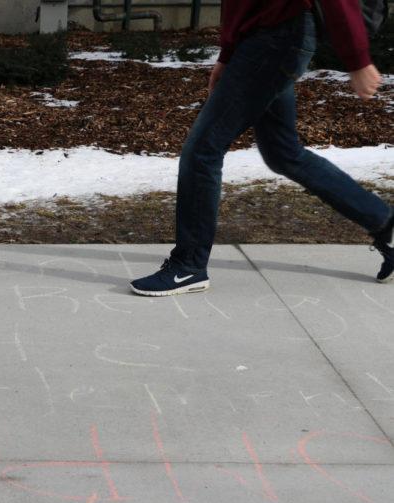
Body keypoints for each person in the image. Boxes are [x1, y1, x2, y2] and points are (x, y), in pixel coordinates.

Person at [130, 1, 393, 297]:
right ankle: (382, 220)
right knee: (283, 152)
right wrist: (228, 55)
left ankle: (188, 266)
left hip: (279, 35)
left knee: (203, 149)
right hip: (266, 36)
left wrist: (357, 58)